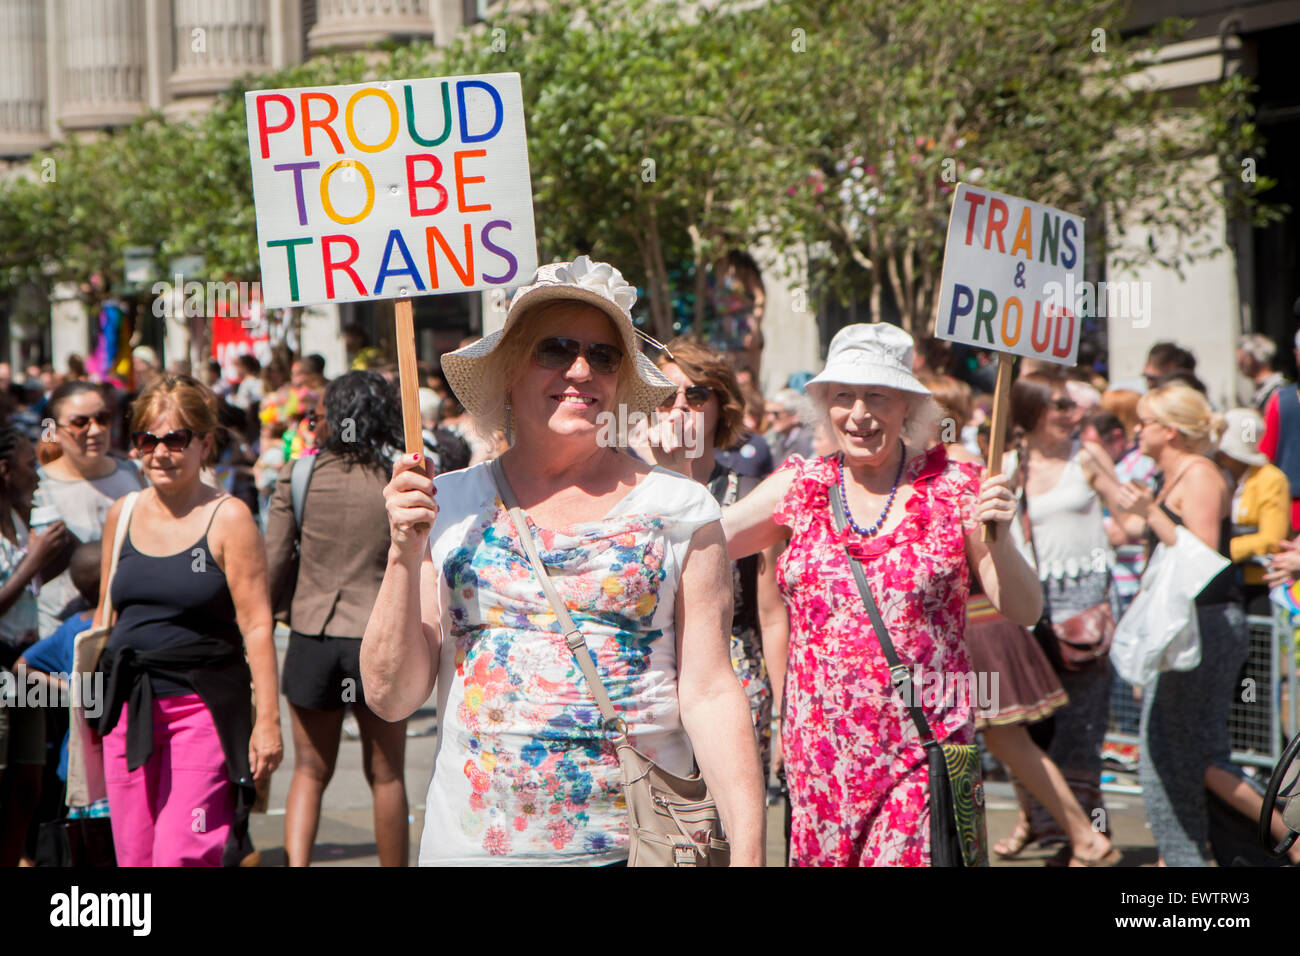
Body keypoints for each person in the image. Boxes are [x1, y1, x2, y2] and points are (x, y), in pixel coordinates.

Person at [362, 256, 765, 865]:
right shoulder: (449, 505)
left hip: (640, 850)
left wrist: (750, 851)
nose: (581, 370)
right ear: (508, 371)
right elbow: (391, 697)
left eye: (603, 356)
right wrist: (402, 551)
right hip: (474, 850)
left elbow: (708, 691)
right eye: (555, 349)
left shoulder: (682, 508)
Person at [719, 323, 1042, 865]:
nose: (859, 413)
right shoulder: (801, 485)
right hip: (821, 756)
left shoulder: (956, 488)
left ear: (908, 408)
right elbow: (707, 543)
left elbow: (1025, 608)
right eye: (843, 396)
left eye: (878, 396)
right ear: (825, 405)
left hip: (922, 751)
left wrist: (1003, 540)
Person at [94, 374, 282, 866]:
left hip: (202, 706)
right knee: (134, 855)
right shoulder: (123, 513)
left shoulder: (229, 517)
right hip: (126, 707)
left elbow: (257, 626)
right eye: (147, 439)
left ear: (204, 443)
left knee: (182, 850)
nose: (160, 452)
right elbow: (103, 617)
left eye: (175, 439)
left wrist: (269, 722)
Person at [1115, 384, 1299, 865]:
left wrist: (1150, 512)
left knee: (1176, 758)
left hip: (1204, 626)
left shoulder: (1199, 474)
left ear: (1170, 430)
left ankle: (1281, 839)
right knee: (1184, 757)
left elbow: (1199, 554)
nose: (1136, 429)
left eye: (1145, 421)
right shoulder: (1177, 473)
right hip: (1188, 628)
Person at [266, 371, 410, 867]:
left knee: (309, 770)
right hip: (380, 640)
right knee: (388, 774)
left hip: (312, 636)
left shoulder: (300, 475)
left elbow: (275, 560)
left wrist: (263, 623)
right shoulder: (402, 480)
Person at [1005, 369, 1132, 857]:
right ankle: (1057, 828)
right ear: (1033, 411)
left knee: (1082, 730)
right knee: (1031, 731)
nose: (1073, 413)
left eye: (1071, 405)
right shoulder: (1008, 463)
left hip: (1086, 612)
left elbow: (1128, 520)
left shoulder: (1087, 457)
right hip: (1027, 612)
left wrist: (1127, 528)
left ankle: (1083, 841)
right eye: (1060, 405)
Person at [651, 338, 785, 785]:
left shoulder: (749, 494)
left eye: (695, 393)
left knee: (732, 830)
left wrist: (784, 718)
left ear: (720, 405)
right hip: (649, 683)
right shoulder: (624, 491)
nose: (679, 405)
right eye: (664, 393)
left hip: (735, 681)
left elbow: (771, 615)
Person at [0, 423, 71, 865]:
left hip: (25, 663)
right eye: (30, 465)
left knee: (29, 784)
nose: (38, 474)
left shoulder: (18, 517)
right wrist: (33, 561)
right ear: (4, 470)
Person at [33, 382, 147, 641]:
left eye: (102, 419)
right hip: (61, 633)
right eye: (80, 423)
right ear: (53, 430)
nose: (94, 430)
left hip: (129, 626)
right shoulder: (38, 488)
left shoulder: (136, 475)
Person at [1215, 408, 1290, 615]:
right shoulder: (1221, 478)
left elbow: (1272, 539)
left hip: (1261, 584)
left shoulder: (1271, 479)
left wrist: (1221, 549)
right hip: (1227, 582)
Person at [1237, 334, 1286, 413]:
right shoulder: (1261, 391)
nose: (1239, 365)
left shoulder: (1278, 389)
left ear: (1250, 359)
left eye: (1242, 360)